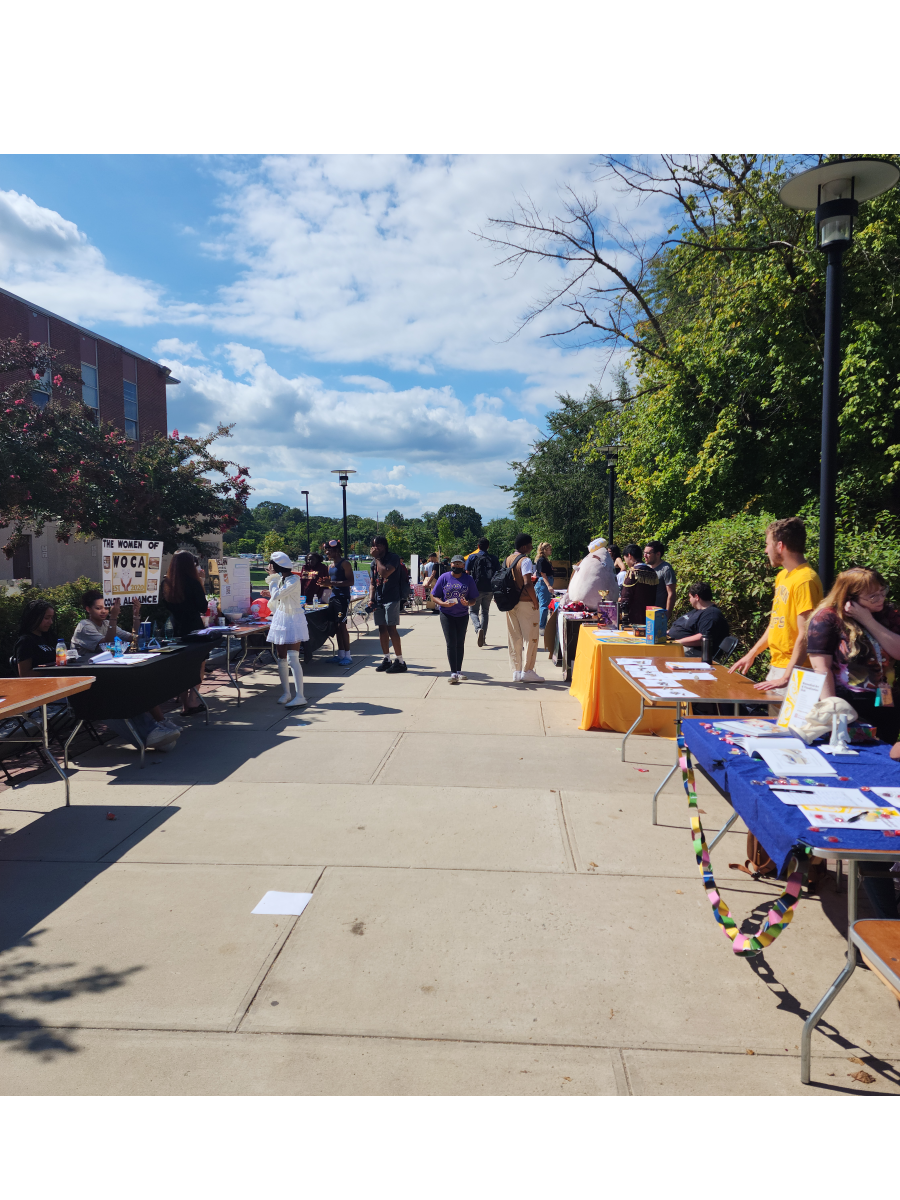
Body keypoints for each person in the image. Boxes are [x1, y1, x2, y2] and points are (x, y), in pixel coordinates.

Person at [805, 568, 900, 746]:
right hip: (849, 705)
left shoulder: (886, 614)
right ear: (849, 597)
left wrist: (868, 620)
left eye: (882, 591)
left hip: (886, 702)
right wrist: (831, 710)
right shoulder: (827, 618)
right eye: (872, 596)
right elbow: (821, 668)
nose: (881, 599)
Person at [729, 516, 823, 697]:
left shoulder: (805, 580)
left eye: (767, 544)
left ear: (780, 546)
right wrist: (752, 654)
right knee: (772, 725)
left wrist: (787, 677)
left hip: (797, 671)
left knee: (790, 726)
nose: (766, 550)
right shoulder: (782, 577)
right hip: (777, 666)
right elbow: (776, 624)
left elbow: (806, 634)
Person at [161, 549, 210, 715]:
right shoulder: (193, 583)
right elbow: (203, 607)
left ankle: (184, 705)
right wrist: (201, 582)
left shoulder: (166, 584)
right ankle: (193, 700)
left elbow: (165, 606)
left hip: (176, 628)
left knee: (182, 667)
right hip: (194, 628)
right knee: (199, 664)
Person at [265, 550, 309, 705]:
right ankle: (286, 693)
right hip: (281, 618)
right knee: (281, 657)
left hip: (293, 619)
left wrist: (271, 580)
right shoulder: (281, 579)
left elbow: (277, 595)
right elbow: (276, 598)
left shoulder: (293, 580)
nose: (269, 566)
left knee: (293, 657)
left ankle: (300, 696)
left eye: (271, 564)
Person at [432, 554, 480, 682]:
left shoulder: (468, 579)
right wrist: (442, 603)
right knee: (451, 643)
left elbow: (474, 599)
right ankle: (453, 673)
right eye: (455, 563)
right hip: (446, 614)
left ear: (464, 566)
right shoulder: (444, 578)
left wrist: (468, 603)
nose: (457, 566)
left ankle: (459, 670)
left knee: (460, 643)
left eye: (460, 564)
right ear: (451, 564)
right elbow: (434, 595)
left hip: (462, 615)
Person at [505, 533, 543, 683]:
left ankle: (516, 670)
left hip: (510, 603)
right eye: (530, 545)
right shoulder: (525, 560)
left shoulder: (508, 559)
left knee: (514, 637)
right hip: (526, 602)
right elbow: (528, 583)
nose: (532, 547)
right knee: (531, 637)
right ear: (524, 546)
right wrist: (535, 601)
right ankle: (527, 670)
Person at [370, 534, 406, 673]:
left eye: (378, 545)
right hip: (379, 598)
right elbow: (373, 583)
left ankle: (400, 661)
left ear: (384, 546)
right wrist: (371, 599)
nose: (375, 548)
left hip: (392, 597)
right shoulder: (374, 563)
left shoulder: (393, 558)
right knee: (382, 629)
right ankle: (386, 658)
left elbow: (385, 573)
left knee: (392, 629)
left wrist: (377, 558)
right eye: (373, 545)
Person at [668, 582, 731, 659]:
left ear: (697, 597)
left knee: (660, 651)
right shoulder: (697, 611)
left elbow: (703, 638)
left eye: (690, 597)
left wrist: (677, 642)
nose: (689, 600)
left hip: (696, 652)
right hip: (678, 644)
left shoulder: (712, 615)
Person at [325, 538, 354, 666]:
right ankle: (340, 654)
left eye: (328, 551)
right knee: (336, 626)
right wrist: (324, 584)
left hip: (343, 598)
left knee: (342, 626)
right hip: (333, 597)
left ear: (336, 550)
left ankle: (348, 655)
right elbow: (331, 584)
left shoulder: (345, 564)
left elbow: (350, 582)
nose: (327, 553)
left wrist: (331, 583)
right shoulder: (330, 566)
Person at [466, 537, 499, 646]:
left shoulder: (472, 557)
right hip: (489, 589)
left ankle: (478, 628)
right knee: (485, 612)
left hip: (475, 589)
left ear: (478, 546)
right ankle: (483, 638)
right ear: (488, 546)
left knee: (473, 611)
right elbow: (498, 575)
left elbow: (467, 573)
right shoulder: (493, 558)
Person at [14, 600, 58, 675]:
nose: (51, 622)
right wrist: (52, 670)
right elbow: (25, 674)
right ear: (34, 618)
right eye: (46, 618)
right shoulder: (26, 641)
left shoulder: (48, 638)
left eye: (52, 618)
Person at [620, 544, 659, 626]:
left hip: (634, 617)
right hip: (650, 617)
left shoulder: (632, 572)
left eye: (625, 559)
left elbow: (626, 597)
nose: (626, 562)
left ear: (629, 556)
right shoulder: (652, 572)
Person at [643, 540, 677, 624]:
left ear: (658, 554)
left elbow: (671, 593)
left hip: (658, 615)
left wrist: (667, 614)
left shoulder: (666, 569)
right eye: (644, 553)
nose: (645, 556)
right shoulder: (645, 568)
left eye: (648, 553)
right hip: (645, 613)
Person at [533, 542, 555, 633]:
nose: (551, 551)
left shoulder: (544, 560)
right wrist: (548, 585)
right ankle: (542, 627)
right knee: (544, 606)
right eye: (550, 549)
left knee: (543, 605)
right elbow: (543, 574)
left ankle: (541, 625)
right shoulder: (541, 560)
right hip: (543, 583)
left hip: (543, 583)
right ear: (545, 550)